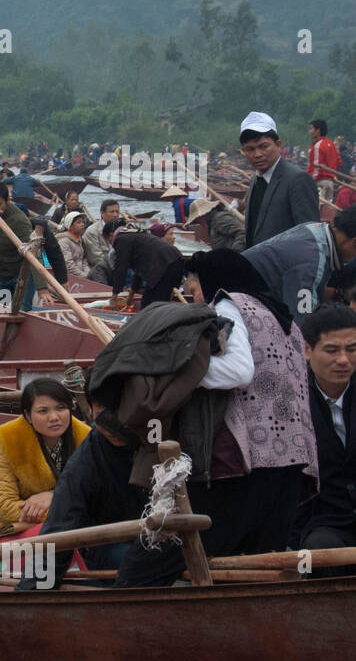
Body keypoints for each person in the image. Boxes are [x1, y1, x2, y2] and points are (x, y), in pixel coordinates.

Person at [113, 249, 317, 587]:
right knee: (252, 572)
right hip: (291, 466)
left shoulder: (228, 305)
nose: (194, 296)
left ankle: (115, 630)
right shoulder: (284, 319)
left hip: (241, 467)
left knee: (147, 565)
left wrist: (164, 370)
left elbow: (237, 371)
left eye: (194, 288)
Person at [16, 394, 152, 590]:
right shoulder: (86, 457)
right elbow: (60, 528)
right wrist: (29, 595)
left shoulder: (159, 432)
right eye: (101, 408)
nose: (53, 418)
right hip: (112, 544)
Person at [0, 379, 91, 544]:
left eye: (61, 408)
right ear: (28, 416)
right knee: (54, 535)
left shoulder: (86, 438)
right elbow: (5, 507)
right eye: (43, 411)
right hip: (12, 527)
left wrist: (54, 496)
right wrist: (63, 509)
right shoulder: (9, 438)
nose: (54, 417)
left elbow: (93, 493)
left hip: (72, 525)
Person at [296, 304, 356, 574]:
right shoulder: (292, 400)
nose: (343, 360)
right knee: (316, 556)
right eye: (332, 350)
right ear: (307, 350)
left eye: (352, 349)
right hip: (325, 521)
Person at [242, 215, 356, 318]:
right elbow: (303, 328)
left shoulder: (314, 228)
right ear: (354, 243)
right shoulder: (311, 263)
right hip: (238, 308)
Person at [239, 111, 320, 247]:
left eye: (263, 146)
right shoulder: (255, 181)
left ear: (278, 144)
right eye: (250, 149)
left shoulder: (297, 179)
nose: (257, 154)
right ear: (244, 151)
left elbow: (310, 237)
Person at [0, 181, 44, 311]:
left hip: (21, 273)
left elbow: (34, 252)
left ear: (7, 200)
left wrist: (42, 287)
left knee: (21, 311)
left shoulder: (19, 221)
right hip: (0, 271)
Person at [104, 221, 184, 306]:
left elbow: (120, 268)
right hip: (177, 259)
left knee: (148, 304)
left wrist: (114, 296)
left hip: (165, 264)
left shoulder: (121, 239)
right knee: (162, 301)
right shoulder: (135, 236)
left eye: (109, 241)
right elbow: (139, 272)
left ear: (111, 235)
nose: (111, 244)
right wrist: (131, 296)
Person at [308, 118, 343, 200]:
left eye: (311, 129)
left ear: (317, 131)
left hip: (320, 183)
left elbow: (317, 168)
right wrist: (331, 174)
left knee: (316, 208)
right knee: (326, 210)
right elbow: (339, 162)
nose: (309, 131)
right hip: (330, 182)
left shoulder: (318, 146)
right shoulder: (331, 143)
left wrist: (309, 181)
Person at [82, 199, 121, 266]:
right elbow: (95, 259)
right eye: (111, 212)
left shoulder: (122, 229)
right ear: (102, 213)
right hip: (101, 269)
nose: (115, 215)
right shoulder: (92, 232)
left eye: (117, 212)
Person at [55, 211, 90, 277]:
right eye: (78, 222)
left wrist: (88, 274)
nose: (82, 224)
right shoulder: (63, 241)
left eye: (83, 222)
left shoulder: (80, 239)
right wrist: (84, 277)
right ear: (70, 226)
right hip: (70, 277)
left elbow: (84, 260)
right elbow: (68, 265)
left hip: (82, 275)